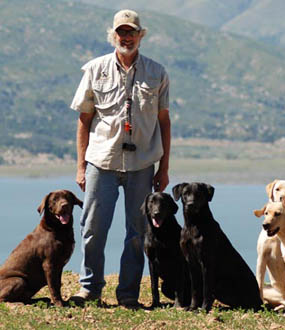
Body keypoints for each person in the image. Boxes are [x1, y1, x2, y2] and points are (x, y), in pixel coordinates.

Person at [70, 9, 171, 307]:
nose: (126, 37)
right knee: (92, 228)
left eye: (132, 32)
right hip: (101, 162)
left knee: (138, 232)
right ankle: (89, 288)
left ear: (141, 35)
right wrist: (80, 166)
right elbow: (83, 120)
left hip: (142, 165)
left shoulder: (158, 72)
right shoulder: (94, 69)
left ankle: (128, 294)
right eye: (121, 32)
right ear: (113, 35)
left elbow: (164, 122)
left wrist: (164, 168)